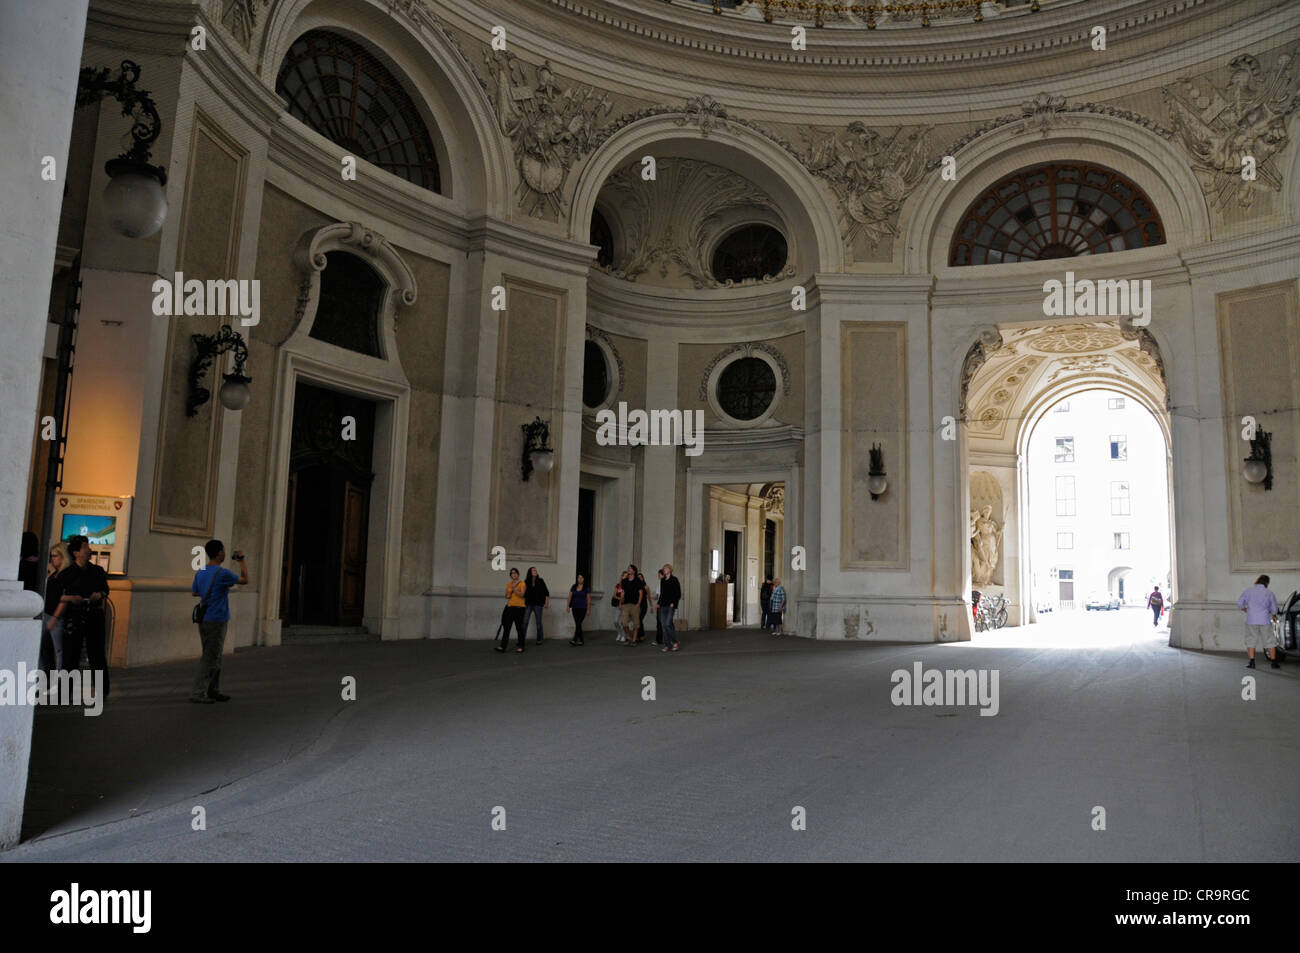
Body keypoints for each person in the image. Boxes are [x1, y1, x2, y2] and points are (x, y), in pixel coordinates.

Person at [190, 539, 248, 702]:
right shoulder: (222, 573)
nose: (224, 552)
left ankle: (213, 689)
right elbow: (245, 580)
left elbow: (195, 592)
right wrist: (242, 561)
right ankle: (197, 692)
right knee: (210, 657)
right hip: (217, 619)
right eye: (223, 550)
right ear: (220, 553)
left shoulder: (200, 570)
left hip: (204, 618)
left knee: (214, 655)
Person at [61, 535, 110, 697]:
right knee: (71, 653)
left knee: (96, 653)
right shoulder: (67, 574)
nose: (89, 550)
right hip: (74, 616)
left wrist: (99, 594)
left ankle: (102, 690)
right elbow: (56, 595)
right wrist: (71, 599)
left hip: (94, 614)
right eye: (85, 547)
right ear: (76, 553)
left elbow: (105, 590)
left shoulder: (97, 571)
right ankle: (65, 690)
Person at [40, 542, 72, 676]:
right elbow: (46, 588)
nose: (52, 559)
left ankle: (59, 679)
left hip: (56, 616)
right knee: (43, 647)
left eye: (55, 556)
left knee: (58, 650)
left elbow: (63, 599)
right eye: (51, 556)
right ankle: (44, 676)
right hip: (47, 613)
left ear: (62, 556)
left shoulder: (66, 574)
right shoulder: (55, 573)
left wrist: (55, 617)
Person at [1238, 573, 1280, 669]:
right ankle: (1274, 662)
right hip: (1264, 619)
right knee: (1269, 640)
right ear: (1267, 583)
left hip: (1251, 619)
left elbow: (1240, 604)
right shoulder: (1269, 593)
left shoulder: (1248, 591)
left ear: (1257, 581)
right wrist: (1274, 615)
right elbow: (1274, 608)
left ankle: (1252, 662)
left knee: (1251, 640)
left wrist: (1245, 609)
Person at [497, 567, 528, 654]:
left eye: (515, 573)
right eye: (512, 573)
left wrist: (514, 588)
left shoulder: (522, 584)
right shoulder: (508, 584)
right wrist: (509, 593)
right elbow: (507, 596)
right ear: (510, 575)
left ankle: (521, 646)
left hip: (519, 609)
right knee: (506, 628)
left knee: (519, 628)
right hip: (509, 608)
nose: (513, 574)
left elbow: (522, 595)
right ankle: (502, 647)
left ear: (518, 574)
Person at [659, 564, 682, 653]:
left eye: (665, 568)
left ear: (670, 570)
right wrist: (659, 604)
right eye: (663, 568)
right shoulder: (663, 581)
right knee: (664, 625)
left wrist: (674, 603)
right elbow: (662, 594)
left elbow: (678, 593)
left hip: (670, 606)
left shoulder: (674, 580)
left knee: (668, 623)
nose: (664, 570)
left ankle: (675, 642)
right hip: (662, 606)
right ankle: (668, 645)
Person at [524, 566, 550, 645]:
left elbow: (546, 592)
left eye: (536, 570)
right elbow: (523, 594)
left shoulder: (541, 581)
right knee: (525, 622)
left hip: (538, 604)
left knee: (538, 622)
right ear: (530, 572)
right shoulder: (526, 581)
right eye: (533, 570)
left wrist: (546, 603)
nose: (535, 571)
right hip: (528, 604)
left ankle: (540, 639)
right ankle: (521, 639)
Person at [620, 563, 644, 645]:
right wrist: (621, 602)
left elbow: (641, 593)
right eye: (628, 568)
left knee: (636, 624)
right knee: (624, 622)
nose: (628, 569)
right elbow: (622, 592)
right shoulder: (624, 581)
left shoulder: (638, 581)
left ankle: (633, 640)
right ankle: (628, 636)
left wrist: (638, 603)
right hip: (625, 604)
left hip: (635, 605)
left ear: (634, 571)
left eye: (630, 568)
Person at [567, 573, 590, 646]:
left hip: (583, 608)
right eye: (578, 578)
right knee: (578, 624)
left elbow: (588, 599)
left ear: (584, 579)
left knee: (579, 623)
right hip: (574, 607)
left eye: (581, 578)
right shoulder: (574, 587)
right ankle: (581, 640)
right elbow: (570, 597)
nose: (580, 579)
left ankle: (574, 639)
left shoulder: (586, 588)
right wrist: (567, 606)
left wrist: (589, 609)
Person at [611, 570, 627, 641]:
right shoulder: (618, 585)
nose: (625, 578)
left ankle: (624, 635)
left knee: (622, 622)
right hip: (618, 605)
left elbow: (626, 596)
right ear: (622, 576)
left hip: (625, 605)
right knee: (615, 621)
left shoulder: (628, 585)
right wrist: (620, 598)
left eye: (627, 576)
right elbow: (614, 595)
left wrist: (622, 599)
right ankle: (619, 633)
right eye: (624, 576)